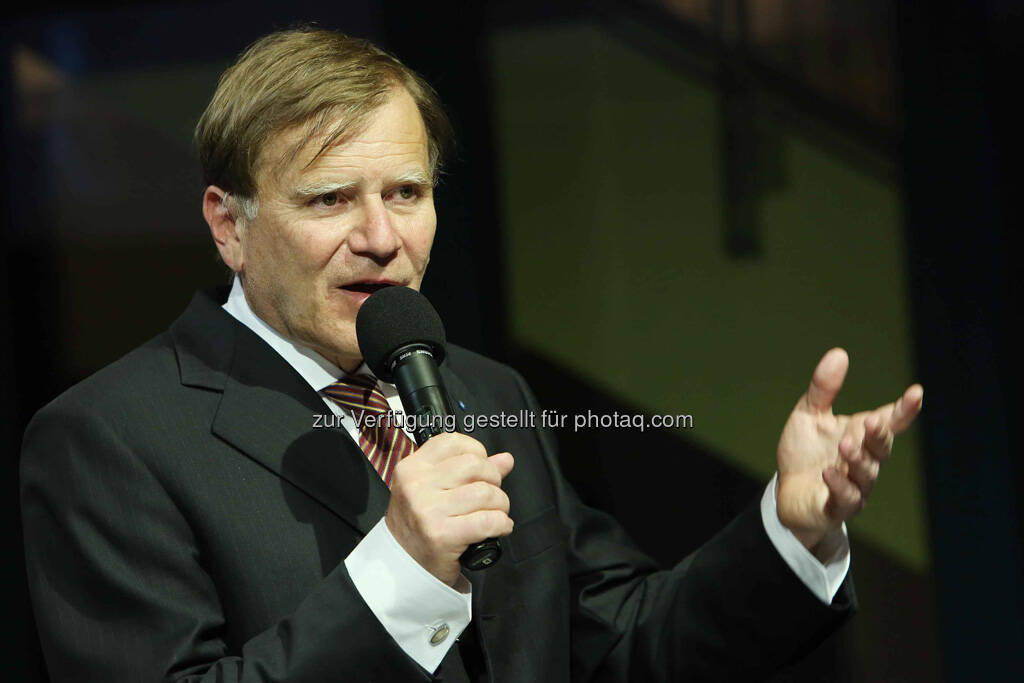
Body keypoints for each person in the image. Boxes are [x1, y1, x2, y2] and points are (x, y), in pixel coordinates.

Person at [20, 28, 923, 682]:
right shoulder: (109, 438)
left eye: (407, 192)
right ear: (229, 225)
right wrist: (402, 572)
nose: (381, 237)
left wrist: (793, 529)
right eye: (331, 200)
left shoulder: (485, 393)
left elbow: (627, 643)